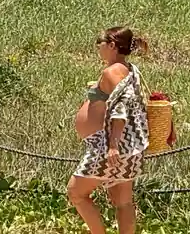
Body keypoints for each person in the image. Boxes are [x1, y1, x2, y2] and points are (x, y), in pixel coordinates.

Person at [68, 27, 150, 234]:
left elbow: (124, 103)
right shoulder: (130, 69)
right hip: (128, 146)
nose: (98, 49)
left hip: (108, 147)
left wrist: (112, 144)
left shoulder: (111, 71)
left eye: (100, 44)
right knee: (122, 201)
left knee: (76, 193)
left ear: (112, 45)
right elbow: (142, 101)